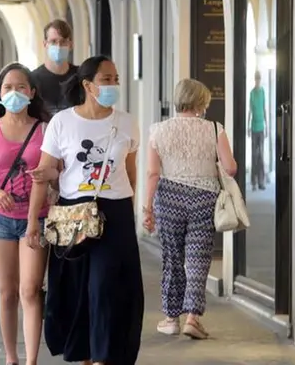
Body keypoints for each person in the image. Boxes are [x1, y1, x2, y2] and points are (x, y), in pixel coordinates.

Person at [27, 56, 144, 365]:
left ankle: (105, 356)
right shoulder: (62, 122)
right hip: (73, 214)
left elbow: (130, 173)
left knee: (107, 287)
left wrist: (129, 212)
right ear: (88, 85)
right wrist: (32, 223)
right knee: (77, 289)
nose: (113, 85)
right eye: (106, 79)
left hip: (114, 212)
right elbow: (44, 171)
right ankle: (86, 355)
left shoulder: (128, 122)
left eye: (116, 78)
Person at [143, 79, 238, 339]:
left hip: (169, 197)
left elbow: (153, 172)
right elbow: (230, 168)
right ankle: (193, 319)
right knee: (197, 258)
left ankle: (171, 318)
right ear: (201, 102)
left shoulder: (158, 130)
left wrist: (148, 207)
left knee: (172, 258)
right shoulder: (214, 129)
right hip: (204, 197)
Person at [0, 63, 52, 365]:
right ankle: (11, 357)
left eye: (21, 87)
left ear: (32, 93)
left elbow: (55, 169)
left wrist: (50, 173)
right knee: (8, 292)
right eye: (8, 87)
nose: (14, 92)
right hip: (1, 219)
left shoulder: (44, 130)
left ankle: (31, 360)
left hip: (37, 217)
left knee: (30, 290)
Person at [30, 19, 78, 116]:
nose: (59, 46)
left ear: (71, 44)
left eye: (63, 41)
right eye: (53, 41)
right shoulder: (33, 79)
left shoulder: (79, 76)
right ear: (45, 44)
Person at [247, 70, 267, 191]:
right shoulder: (252, 93)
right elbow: (249, 111)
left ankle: (261, 181)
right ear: (255, 80)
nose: (258, 81)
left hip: (261, 127)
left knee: (261, 155)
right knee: (254, 155)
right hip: (254, 127)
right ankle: (253, 181)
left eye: (259, 79)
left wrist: (267, 125)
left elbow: (264, 108)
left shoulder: (263, 92)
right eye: (256, 79)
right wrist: (248, 127)